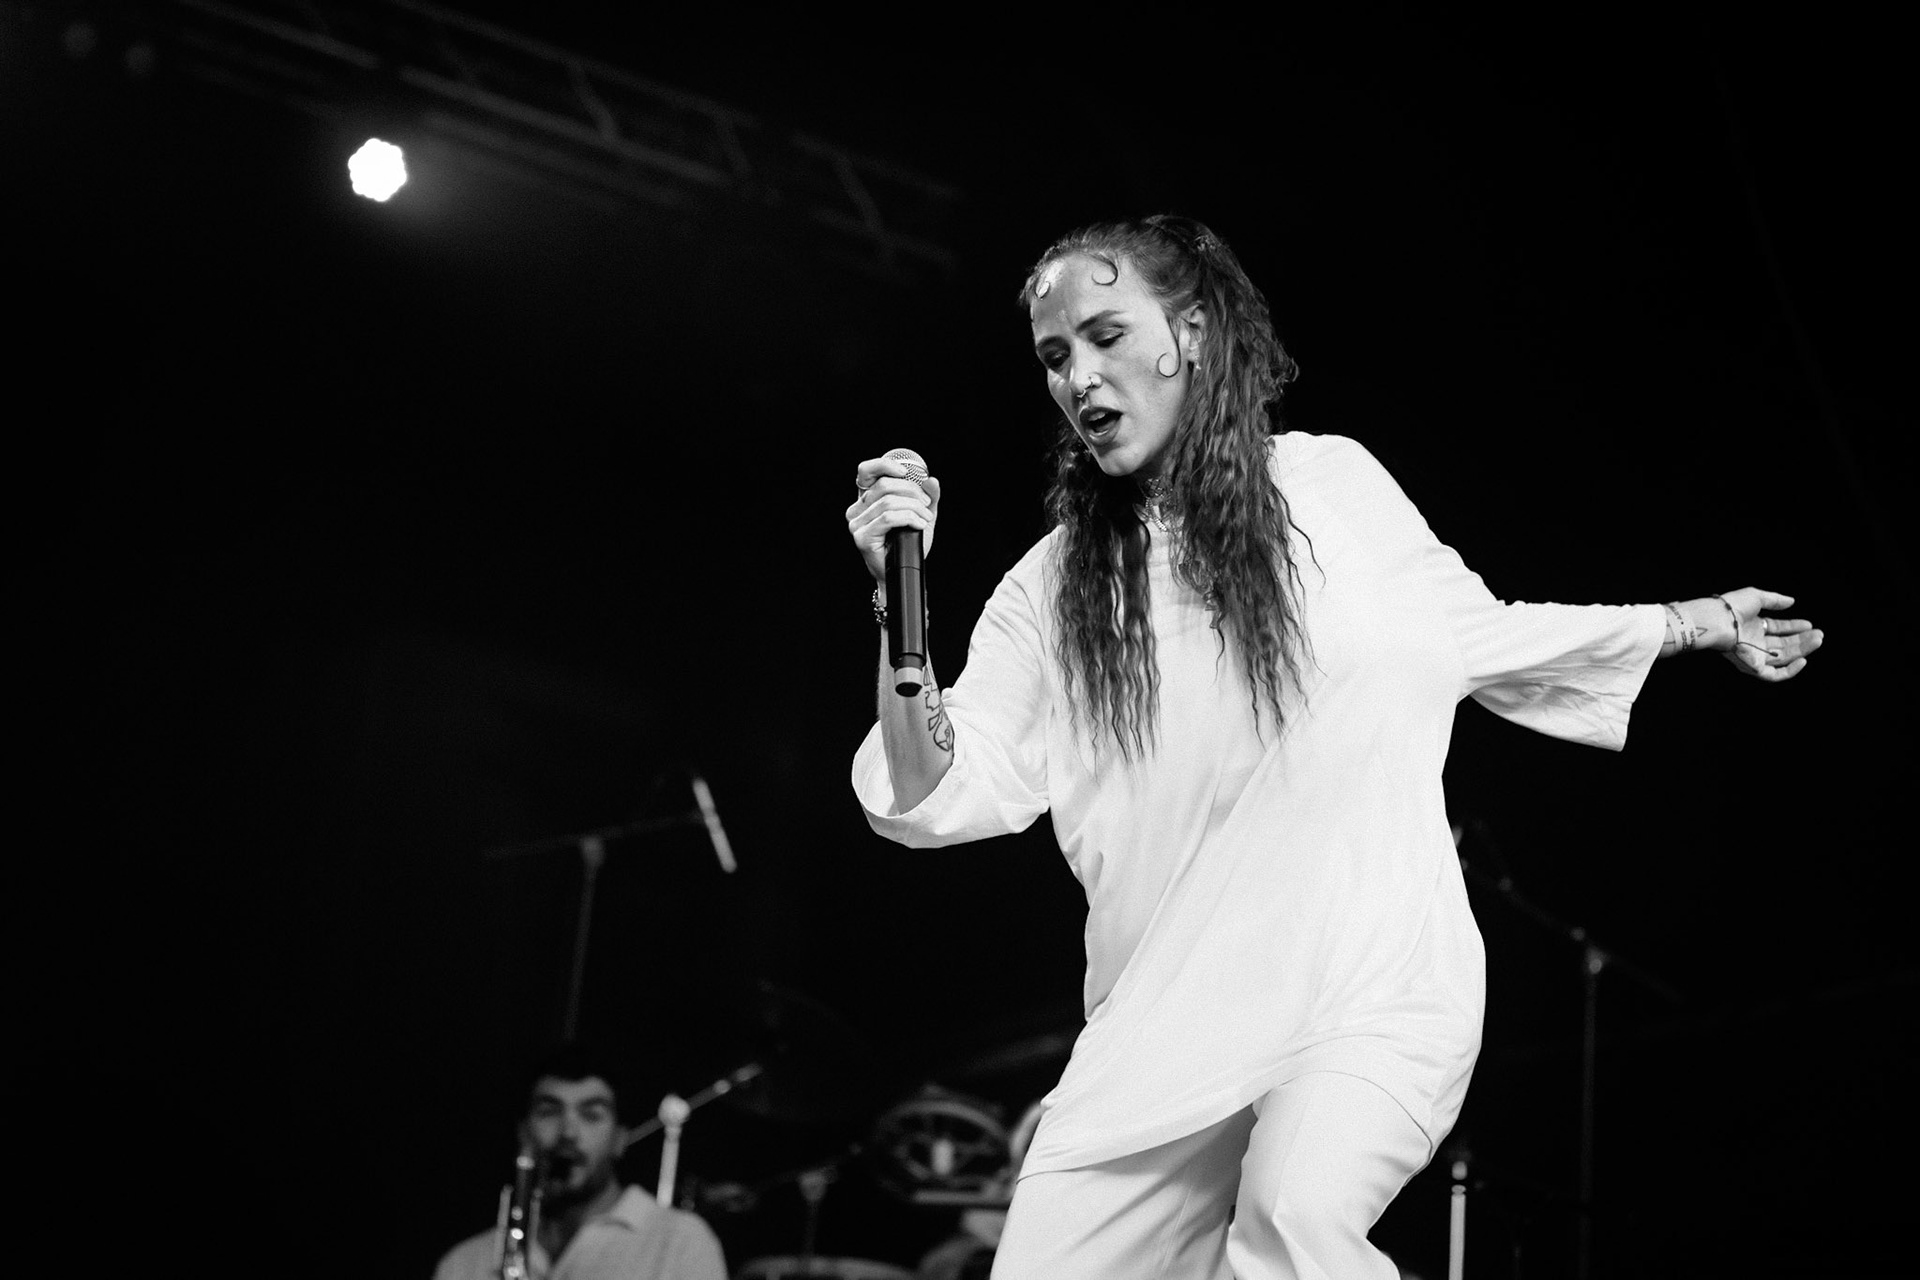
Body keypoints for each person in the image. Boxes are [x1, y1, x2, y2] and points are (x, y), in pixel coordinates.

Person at [842, 215, 1822, 1280]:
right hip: (1162, 1029)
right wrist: (899, 604)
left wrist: (1693, 622)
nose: (1079, 376)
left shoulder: (1330, 489)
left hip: (1366, 979)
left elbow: (1479, 633)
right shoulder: (1053, 586)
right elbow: (931, 788)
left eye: (1107, 335)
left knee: (1294, 1216)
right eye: (1053, 354)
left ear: (1192, 332)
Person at [432, 1044, 728, 1280]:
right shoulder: (465, 1264)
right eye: (549, 1112)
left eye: (591, 1115)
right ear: (523, 1132)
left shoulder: (679, 1242)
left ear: (619, 1139)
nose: (568, 1133)